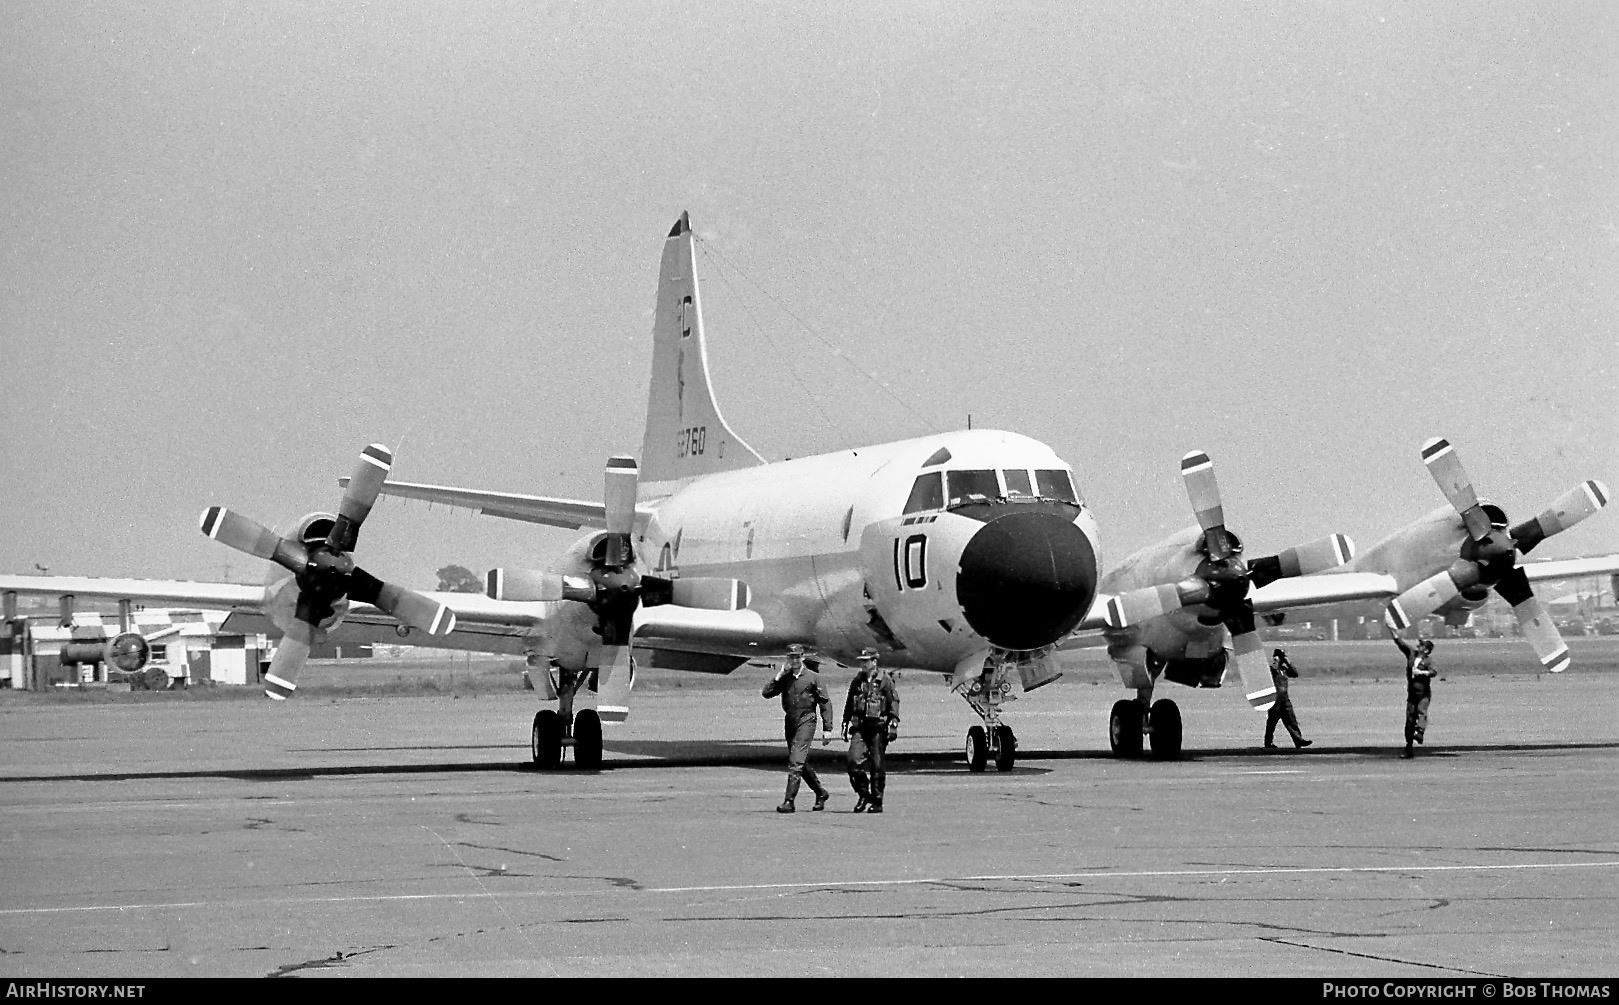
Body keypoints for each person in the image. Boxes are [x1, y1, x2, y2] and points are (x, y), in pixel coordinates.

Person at [761, 644, 833, 812]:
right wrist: (778, 676)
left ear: (802, 657)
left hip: (807, 720)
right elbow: (766, 693)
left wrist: (827, 728)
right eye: (790, 657)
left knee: (796, 761)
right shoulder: (785, 679)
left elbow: (825, 703)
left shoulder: (813, 678)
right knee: (801, 762)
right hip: (791, 721)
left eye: (796, 657)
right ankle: (820, 792)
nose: (793, 660)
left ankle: (789, 801)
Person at [842, 648, 900, 813]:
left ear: (874, 662)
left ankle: (877, 801)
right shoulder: (857, 681)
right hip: (860, 728)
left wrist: (893, 725)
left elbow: (893, 702)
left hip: (878, 729)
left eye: (866, 661)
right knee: (852, 762)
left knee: (877, 765)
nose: (863, 664)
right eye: (862, 661)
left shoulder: (885, 681)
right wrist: (845, 723)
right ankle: (864, 794)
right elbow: (849, 703)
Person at [1389, 631, 1436, 758]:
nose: (1418, 647)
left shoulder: (1428, 661)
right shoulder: (1411, 655)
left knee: (1422, 712)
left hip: (1423, 694)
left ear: (1426, 650)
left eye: (1421, 646)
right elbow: (1402, 645)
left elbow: (1433, 672)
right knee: (1410, 720)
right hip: (1412, 695)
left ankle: (1420, 733)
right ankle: (1408, 747)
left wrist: (1421, 672)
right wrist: (1394, 634)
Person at [1264, 648, 1313, 749]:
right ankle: (1268, 743)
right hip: (1275, 700)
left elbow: (1295, 674)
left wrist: (1288, 663)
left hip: (1285, 700)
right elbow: (1265, 677)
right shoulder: (1271, 670)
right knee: (1271, 723)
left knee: (1291, 721)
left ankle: (1298, 740)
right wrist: (1274, 666)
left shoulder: (1284, 670)